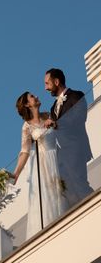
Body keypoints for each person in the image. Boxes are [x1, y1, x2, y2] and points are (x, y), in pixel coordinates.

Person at [11, 92, 67, 238]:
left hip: (56, 157)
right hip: (42, 165)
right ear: (27, 104)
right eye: (31, 96)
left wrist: (54, 124)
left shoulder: (48, 115)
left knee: (61, 192)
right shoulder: (26, 126)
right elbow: (24, 151)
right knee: (47, 197)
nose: (36, 96)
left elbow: (63, 131)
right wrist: (16, 173)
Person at [44, 68, 94, 208]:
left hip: (75, 148)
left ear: (57, 81)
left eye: (47, 83)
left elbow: (80, 117)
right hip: (61, 155)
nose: (45, 87)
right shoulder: (53, 107)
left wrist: (57, 123)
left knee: (79, 183)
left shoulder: (76, 96)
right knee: (68, 190)